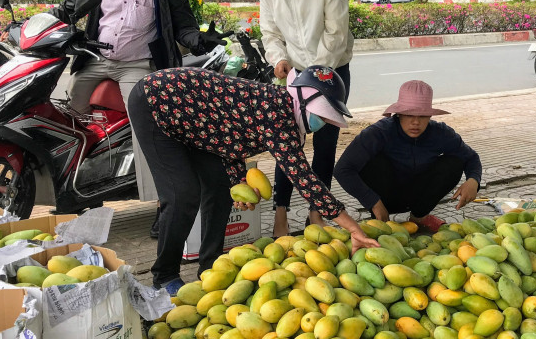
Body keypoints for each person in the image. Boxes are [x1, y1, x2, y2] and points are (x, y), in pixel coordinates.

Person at [127, 65, 377, 294]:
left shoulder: (281, 108)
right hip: (155, 102)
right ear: (304, 101)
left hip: (197, 119)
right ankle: (165, 275)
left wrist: (239, 181)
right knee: (182, 194)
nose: (322, 122)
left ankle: (210, 266)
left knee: (221, 188)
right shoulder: (278, 115)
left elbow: (227, 139)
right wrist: (353, 228)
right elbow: (305, 180)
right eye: (322, 115)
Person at [51, 0, 224, 234]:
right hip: (97, 58)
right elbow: (68, 9)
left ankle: (164, 204)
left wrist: (198, 40)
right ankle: (79, 189)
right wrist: (37, 26)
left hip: (137, 64)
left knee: (147, 128)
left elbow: (183, 24)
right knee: (69, 117)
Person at [245, 0, 355, 237]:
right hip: (293, 75)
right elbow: (270, 32)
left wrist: (317, 74)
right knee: (286, 143)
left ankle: (316, 213)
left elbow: (336, 32)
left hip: (331, 73)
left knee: (324, 145)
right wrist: (279, 58)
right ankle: (280, 213)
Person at [335, 80, 482, 233]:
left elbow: (471, 157)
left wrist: (473, 180)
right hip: (385, 197)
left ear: (430, 116)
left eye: (422, 116)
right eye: (409, 115)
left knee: (454, 163)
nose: (415, 122)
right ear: (399, 114)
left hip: (420, 196)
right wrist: (373, 202)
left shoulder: (441, 133)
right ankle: (379, 217)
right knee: (373, 162)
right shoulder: (378, 133)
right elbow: (342, 170)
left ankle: (419, 217)